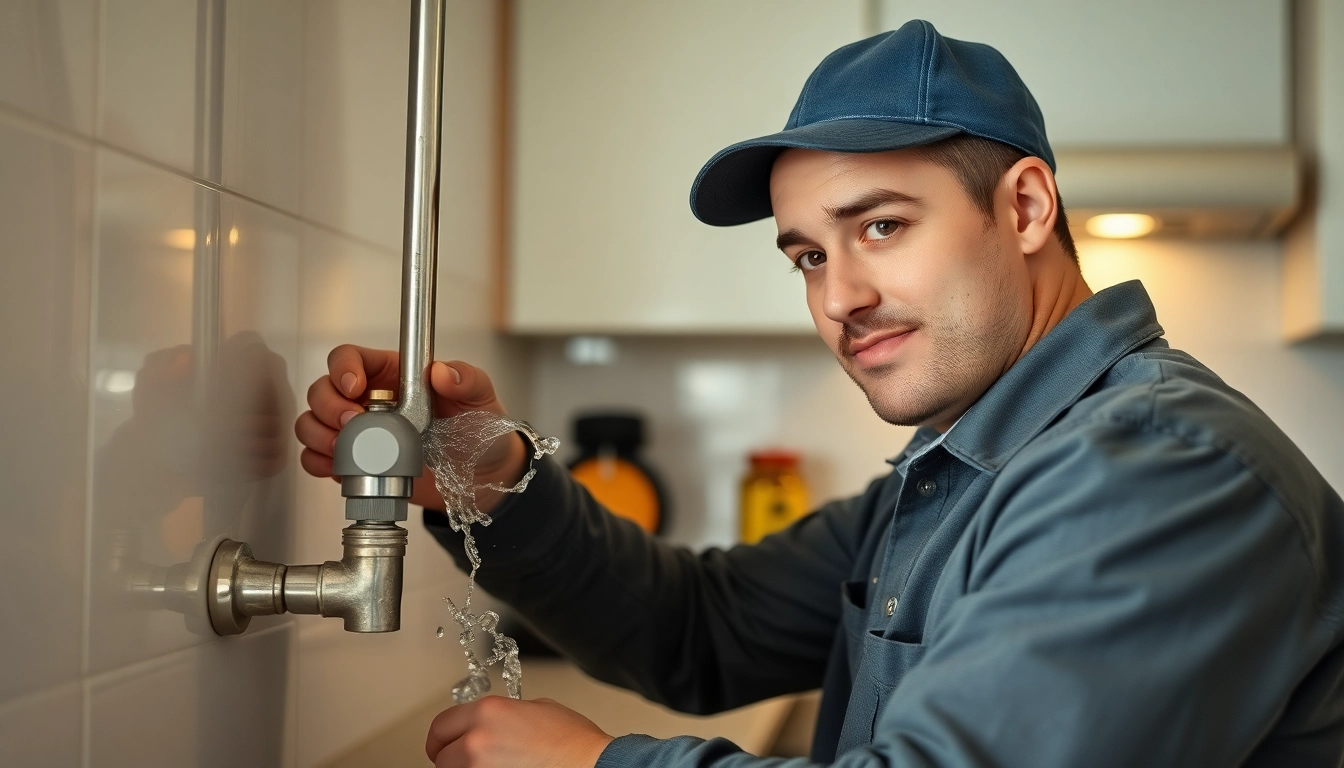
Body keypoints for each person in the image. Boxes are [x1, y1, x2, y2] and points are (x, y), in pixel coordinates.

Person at [295, 20, 1344, 768]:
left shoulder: (1159, 471)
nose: (840, 296)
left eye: (882, 225)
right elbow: (698, 627)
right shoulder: (966, 470)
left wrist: (598, 767)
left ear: (1024, 207)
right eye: (806, 255)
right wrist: (490, 477)